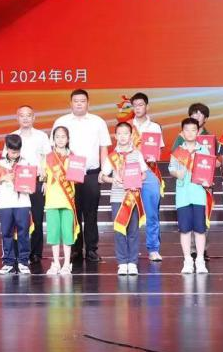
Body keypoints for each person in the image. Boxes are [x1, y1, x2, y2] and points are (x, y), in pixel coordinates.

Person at [51, 89, 111, 264]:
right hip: (68, 174)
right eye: (76, 101)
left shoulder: (98, 122)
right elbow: (54, 148)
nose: (79, 103)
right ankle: (75, 249)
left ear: (88, 103)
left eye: (82, 101)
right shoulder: (61, 121)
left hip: (91, 173)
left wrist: (104, 171)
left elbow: (104, 148)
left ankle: (91, 249)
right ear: (70, 103)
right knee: (72, 211)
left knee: (91, 213)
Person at [101, 121, 147, 276]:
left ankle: (132, 262)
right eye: (119, 133)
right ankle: (122, 262)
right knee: (119, 230)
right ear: (115, 136)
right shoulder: (112, 157)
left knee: (133, 230)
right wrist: (112, 180)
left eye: (125, 133)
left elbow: (144, 174)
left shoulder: (137, 154)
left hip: (133, 196)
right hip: (117, 197)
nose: (122, 137)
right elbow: (103, 176)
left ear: (131, 135)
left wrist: (138, 180)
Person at [10, 105, 51, 268]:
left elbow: (48, 159)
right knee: (19, 219)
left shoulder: (41, 136)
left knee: (37, 218)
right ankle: (18, 252)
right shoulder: (12, 136)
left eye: (29, 115)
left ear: (34, 118)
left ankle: (35, 253)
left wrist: (45, 180)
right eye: (22, 115)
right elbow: (8, 158)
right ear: (17, 118)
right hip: (17, 182)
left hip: (36, 180)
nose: (25, 118)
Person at [125, 93, 165, 262]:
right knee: (128, 212)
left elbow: (159, 150)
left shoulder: (155, 127)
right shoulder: (126, 126)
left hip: (149, 172)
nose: (138, 108)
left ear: (147, 106)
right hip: (130, 171)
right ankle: (129, 249)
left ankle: (153, 248)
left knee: (152, 212)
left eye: (141, 105)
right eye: (135, 105)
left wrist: (153, 157)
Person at [170, 117, 212, 274]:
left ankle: (200, 260)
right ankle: (187, 260)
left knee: (200, 229)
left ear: (198, 132)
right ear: (182, 132)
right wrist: (177, 173)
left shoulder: (204, 150)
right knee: (185, 230)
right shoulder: (178, 151)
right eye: (186, 130)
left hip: (199, 194)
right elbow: (171, 169)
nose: (190, 133)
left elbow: (209, 170)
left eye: (193, 130)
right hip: (183, 195)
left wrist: (207, 180)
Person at [0, 134, 33, 275]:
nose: (15, 155)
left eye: (17, 152)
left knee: (23, 232)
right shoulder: (0, 164)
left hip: (22, 202)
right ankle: (8, 262)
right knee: (6, 232)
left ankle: (23, 261)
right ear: (6, 148)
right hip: (5, 203)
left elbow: (31, 184)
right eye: (12, 152)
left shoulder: (26, 163)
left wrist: (28, 185)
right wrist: (3, 178)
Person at [43, 125, 78, 276]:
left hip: (67, 199)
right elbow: (43, 175)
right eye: (57, 136)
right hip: (52, 199)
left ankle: (67, 263)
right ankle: (56, 262)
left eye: (63, 136)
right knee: (53, 232)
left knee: (67, 233)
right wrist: (43, 180)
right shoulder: (48, 157)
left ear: (68, 139)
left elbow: (77, 177)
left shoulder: (74, 157)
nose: (60, 139)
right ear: (53, 139)